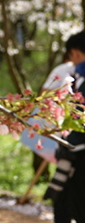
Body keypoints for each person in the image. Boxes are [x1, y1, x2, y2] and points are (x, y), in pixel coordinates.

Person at [45, 32, 85, 223]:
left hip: (77, 151)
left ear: (75, 53)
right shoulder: (76, 76)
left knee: (70, 205)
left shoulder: (76, 76)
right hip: (74, 149)